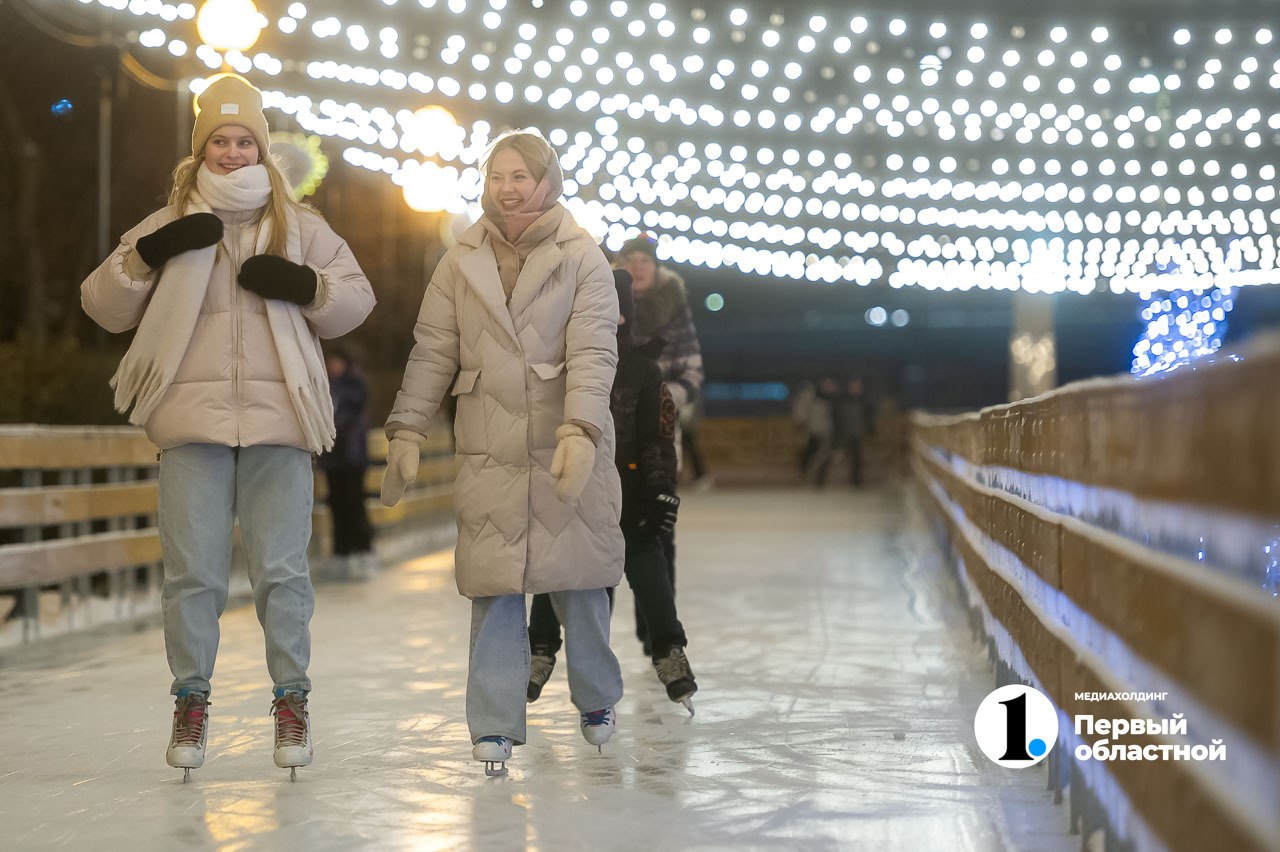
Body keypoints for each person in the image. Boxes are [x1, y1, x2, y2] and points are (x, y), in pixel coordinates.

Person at [80, 74, 375, 781]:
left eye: (247, 141)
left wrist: (307, 287)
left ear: (264, 150)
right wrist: (150, 255)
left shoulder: (301, 227)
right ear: (201, 148)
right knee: (193, 576)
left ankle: (291, 699)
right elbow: (101, 304)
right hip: (190, 423)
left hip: (280, 423)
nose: (235, 153)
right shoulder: (168, 223)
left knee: (281, 571)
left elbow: (356, 300)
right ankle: (190, 699)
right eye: (222, 140)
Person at [379, 130, 625, 776]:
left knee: (580, 582)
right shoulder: (460, 260)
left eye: (520, 176)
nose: (508, 189)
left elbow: (595, 354)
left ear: (546, 182)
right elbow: (433, 348)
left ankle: (598, 697)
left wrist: (582, 432)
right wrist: (407, 427)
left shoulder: (582, 258)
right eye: (497, 177)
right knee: (494, 588)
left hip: (563, 443)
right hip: (489, 445)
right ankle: (492, 723)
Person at [527, 269, 697, 714]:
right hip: (572, 490)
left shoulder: (642, 369)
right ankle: (539, 649)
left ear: (621, 317)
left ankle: (668, 650)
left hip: (630, 493)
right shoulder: (561, 364)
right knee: (557, 570)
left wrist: (661, 490)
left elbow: (659, 436)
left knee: (647, 566)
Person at [616, 235, 705, 653]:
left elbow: (692, 368)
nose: (638, 266)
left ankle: (657, 629)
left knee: (658, 522)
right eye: (630, 259)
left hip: (661, 427)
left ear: (656, 266)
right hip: (613, 427)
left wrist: (661, 399)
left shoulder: (674, 303)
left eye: (644, 260)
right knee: (610, 526)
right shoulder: (607, 300)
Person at [319, 348, 374, 578]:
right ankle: (341, 554)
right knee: (336, 505)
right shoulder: (324, 385)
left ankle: (364, 551)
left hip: (352, 457)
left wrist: (334, 428)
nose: (333, 367)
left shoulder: (354, 385)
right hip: (333, 459)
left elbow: (353, 417)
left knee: (355, 504)